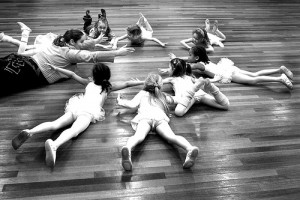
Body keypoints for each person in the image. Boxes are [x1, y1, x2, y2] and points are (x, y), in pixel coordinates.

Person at [11, 63, 144, 167]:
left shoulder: (89, 82)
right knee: (74, 131)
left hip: (76, 106)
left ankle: (29, 131)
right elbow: (126, 84)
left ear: (94, 75)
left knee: (54, 124)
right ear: (107, 76)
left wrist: (56, 68)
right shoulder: (108, 87)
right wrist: (141, 82)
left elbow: (72, 74)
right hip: (88, 112)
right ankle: (54, 145)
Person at [0, 22, 134, 96]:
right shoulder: (70, 53)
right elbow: (92, 56)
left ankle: (21, 34)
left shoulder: (60, 39)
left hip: (27, 61)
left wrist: (94, 40)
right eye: (81, 42)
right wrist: (117, 52)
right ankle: (24, 34)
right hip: (34, 72)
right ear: (72, 41)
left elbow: (84, 44)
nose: (83, 44)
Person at [116, 73, 199, 171]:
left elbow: (132, 104)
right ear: (160, 85)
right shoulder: (163, 95)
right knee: (172, 137)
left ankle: (128, 149)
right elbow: (177, 100)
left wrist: (120, 101)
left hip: (145, 118)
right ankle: (189, 148)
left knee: (138, 137)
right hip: (160, 119)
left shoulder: (142, 93)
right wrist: (192, 98)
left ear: (146, 84)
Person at [185, 46, 294, 90]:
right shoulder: (205, 61)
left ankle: (280, 78)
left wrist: (177, 62)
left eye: (190, 55)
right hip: (229, 68)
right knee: (254, 74)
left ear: (197, 57)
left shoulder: (199, 65)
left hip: (228, 74)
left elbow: (190, 66)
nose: (188, 57)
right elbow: (190, 64)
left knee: (253, 80)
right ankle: (279, 69)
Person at [161, 58, 230, 117]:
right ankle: (211, 87)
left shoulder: (172, 79)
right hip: (200, 94)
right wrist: (214, 80)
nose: (168, 69)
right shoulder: (190, 77)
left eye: (169, 68)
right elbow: (201, 81)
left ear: (174, 69)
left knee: (178, 112)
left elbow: (160, 82)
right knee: (225, 106)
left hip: (188, 97)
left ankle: (194, 89)